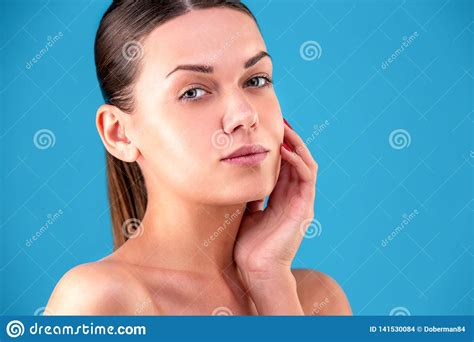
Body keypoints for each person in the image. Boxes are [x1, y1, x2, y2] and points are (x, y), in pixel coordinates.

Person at [45, 0, 351, 316]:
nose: (244, 115)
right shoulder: (100, 300)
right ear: (119, 134)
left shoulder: (316, 300)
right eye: (192, 92)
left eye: (255, 80)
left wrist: (268, 277)